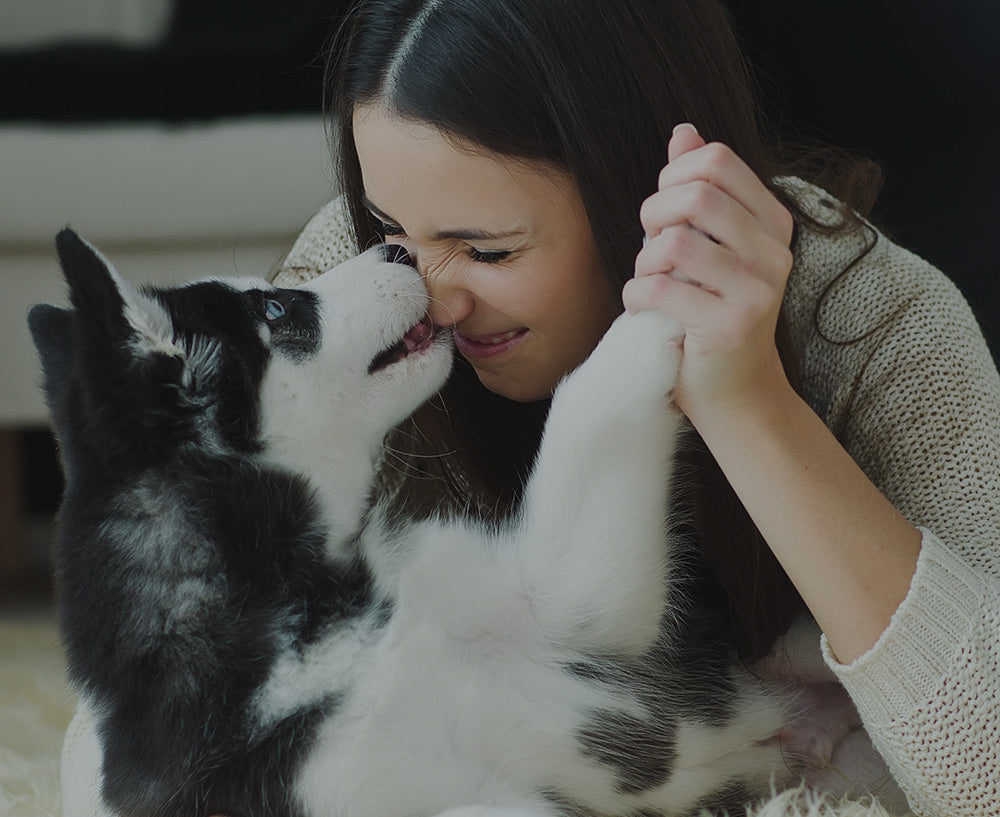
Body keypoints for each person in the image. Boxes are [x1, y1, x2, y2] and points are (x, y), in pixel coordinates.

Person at [61, 1, 999, 815]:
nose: (427, 291)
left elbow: (988, 766)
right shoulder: (362, 297)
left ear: (641, 193)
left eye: (490, 251)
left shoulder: (871, 317)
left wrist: (745, 396)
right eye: (389, 228)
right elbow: (144, 711)